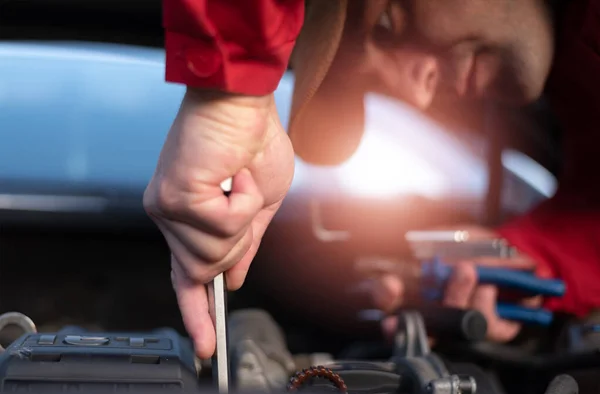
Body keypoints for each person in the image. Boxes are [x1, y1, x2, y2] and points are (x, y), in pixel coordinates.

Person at [144, 0, 600, 358]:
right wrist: (529, 261)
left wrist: (228, 98)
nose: (421, 96)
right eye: (378, 86)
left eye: (387, 23)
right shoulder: (576, 91)